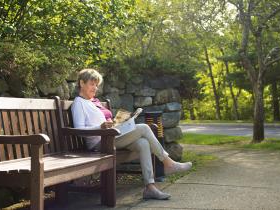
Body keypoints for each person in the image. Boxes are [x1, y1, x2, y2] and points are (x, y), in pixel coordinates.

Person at [71, 68, 192, 200]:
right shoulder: (79, 104)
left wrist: (119, 123)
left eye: (96, 85)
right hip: (99, 144)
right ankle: (168, 163)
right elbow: (79, 130)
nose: (95, 88)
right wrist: (100, 126)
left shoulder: (94, 102)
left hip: (111, 137)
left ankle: (150, 188)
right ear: (82, 83)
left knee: (143, 143)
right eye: (91, 84)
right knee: (144, 128)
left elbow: (105, 124)